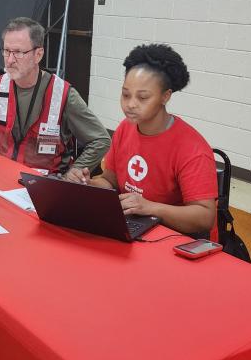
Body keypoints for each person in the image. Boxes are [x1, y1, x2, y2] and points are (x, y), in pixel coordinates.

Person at [64, 43, 219, 239]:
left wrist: (150, 207)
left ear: (165, 96)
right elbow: (110, 181)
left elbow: (205, 217)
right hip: (137, 225)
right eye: (125, 94)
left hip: (176, 238)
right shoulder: (124, 129)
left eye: (143, 97)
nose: (130, 104)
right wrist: (86, 184)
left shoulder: (192, 148)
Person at [0, 17, 110, 174]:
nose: (9, 60)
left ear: (38, 54)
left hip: (46, 184)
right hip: (4, 177)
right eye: (6, 51)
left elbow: (101, 140)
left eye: (18, 52)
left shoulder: (63, 94)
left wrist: (76, 171)